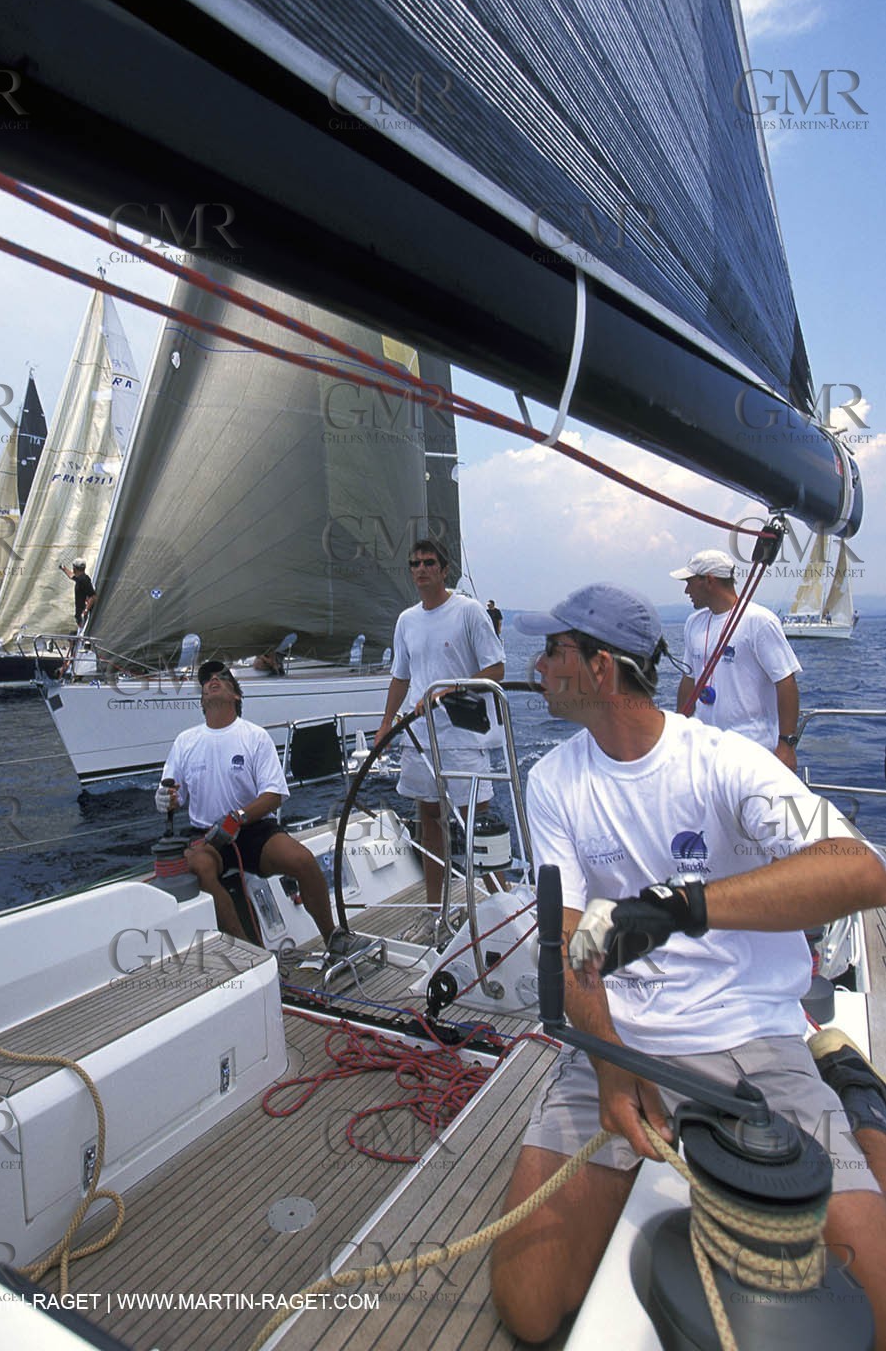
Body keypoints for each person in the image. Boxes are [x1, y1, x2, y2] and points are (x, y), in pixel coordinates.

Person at [490, 584, 886, 1344]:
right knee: (528, 1303)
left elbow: (858, 868)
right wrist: (609, 1067)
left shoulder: (727, 763)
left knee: (874, 1305)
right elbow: (569, 937)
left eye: (551, 652)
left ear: (599, 668)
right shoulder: (553, 783)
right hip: (617, 1037)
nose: (535, 666)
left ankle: (857, 1099)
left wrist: (682, 907)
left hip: (749, 1035)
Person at [155, 661, 353, 956]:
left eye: (222, 677)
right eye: (207, 679)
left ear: (236, 695)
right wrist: (164, 798)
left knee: (302, 860)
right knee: (200, 868)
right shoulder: (185, 742)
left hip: (253, 829)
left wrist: (238, 817)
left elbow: (274, 794)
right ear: (201, 700)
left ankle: (333, 936)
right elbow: (172, 793)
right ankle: (252, 953)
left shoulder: (254, 736)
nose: (213, 680)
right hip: (208, 834)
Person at [376, 540, 505, 905]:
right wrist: (386, 724)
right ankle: (436, 907)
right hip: (420, 735)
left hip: (463, 735)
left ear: (443, 569)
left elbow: (496, 667)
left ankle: (504, 907)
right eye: (414, 563)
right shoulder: (406, 620)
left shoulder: (469, 612)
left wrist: (447, 689)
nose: (421, 569)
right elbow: (400, 677)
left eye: (429, 563)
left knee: (475, 823)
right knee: (429, 820)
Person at [671, 549, 802, 770]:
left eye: (690, 582)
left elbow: (785, 682)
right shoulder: (693, 623)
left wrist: (786, 745)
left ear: (709, 581)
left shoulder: (759, 621)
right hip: (706, 751)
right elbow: (689, 680)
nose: (686, 590)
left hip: (753, 751)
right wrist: (678, 730)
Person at [60, 557, 96, 629]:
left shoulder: (84, 580)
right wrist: (64, 569)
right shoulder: (80, 578)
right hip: (80, 615)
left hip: (83, 616)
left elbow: (93, 596)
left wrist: (85, 611)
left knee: (79, 634)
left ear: (75, 568)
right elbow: (72, 576)